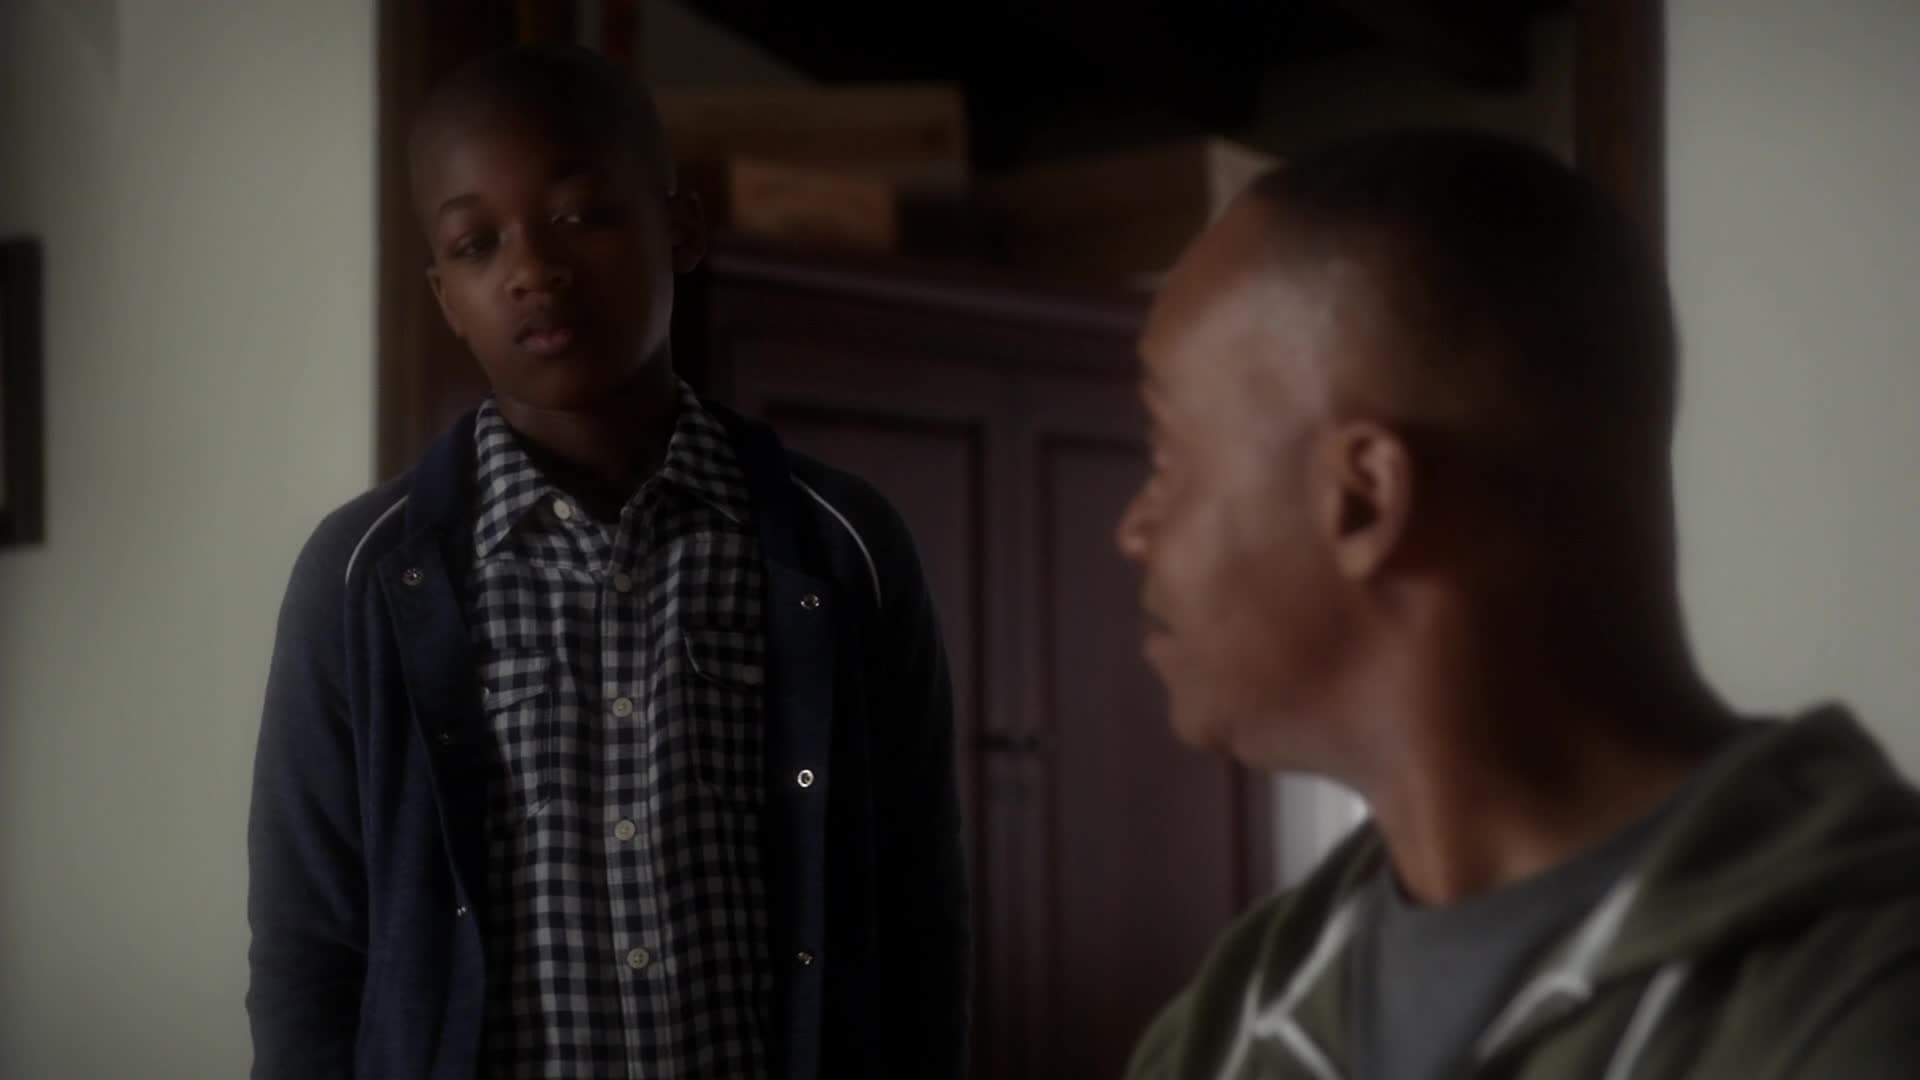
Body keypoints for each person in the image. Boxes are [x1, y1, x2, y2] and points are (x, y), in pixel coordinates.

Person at [1115, 129, 1920, 1079]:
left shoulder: (1858, 1000)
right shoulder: (1236, 1014)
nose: (1134, 530)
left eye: (1167, 456)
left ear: (1364, 499)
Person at [245, 45, 968, 1080]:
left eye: (581, 214)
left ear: (681, 229)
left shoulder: (841, 547)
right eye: (477, 242)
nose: (532, 269)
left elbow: (921, 914)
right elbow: (308, 953)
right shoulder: (361, 577)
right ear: (445, 295)